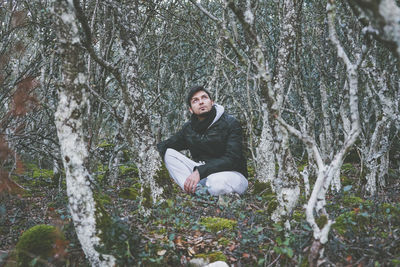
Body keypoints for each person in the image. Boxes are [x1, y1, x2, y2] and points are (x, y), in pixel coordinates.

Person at [157, 85, 248, 196]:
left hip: (233, 174)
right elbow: (166, 145)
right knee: (168, 153)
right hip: (201, 173)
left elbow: (232, 159)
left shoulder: (230, 123)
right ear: (190, 109)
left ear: (212, 102)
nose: (201, 102)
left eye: (204, 98)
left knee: (217, 182)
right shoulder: (189, 129)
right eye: (195, 100)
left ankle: (200, 189)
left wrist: (200, 171)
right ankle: (194, 189)